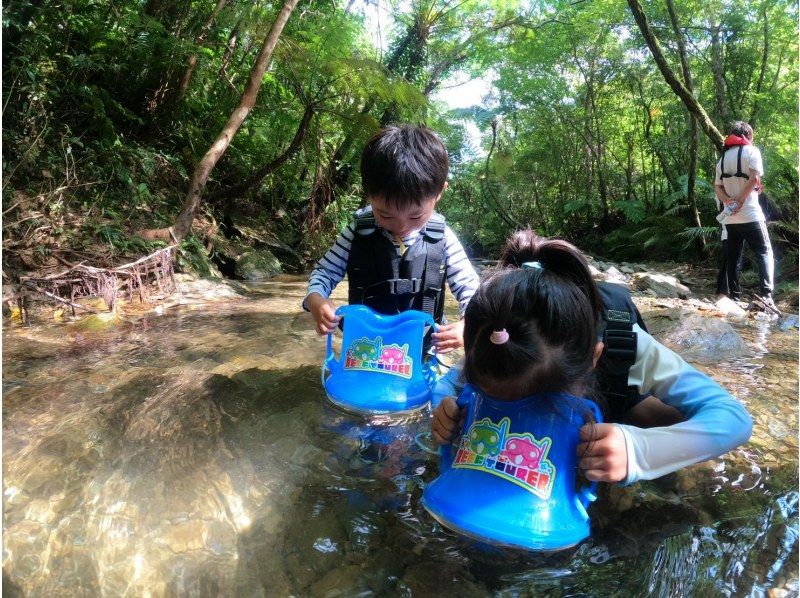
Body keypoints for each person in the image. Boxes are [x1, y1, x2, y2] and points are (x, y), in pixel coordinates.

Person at [430, 233, 753, 485]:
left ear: (592, 358)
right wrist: (445, 408)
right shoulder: (497, 342)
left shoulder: (626, 343)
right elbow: (446, 385)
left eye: (542, 402)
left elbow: (733, 419)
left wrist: (638, 451)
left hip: (616, 398)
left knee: (664, 417)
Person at [303, 124, 479, 353]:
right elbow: (324, 272)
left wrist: (468, 325)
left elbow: (470, 287)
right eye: (385, 214)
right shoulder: (358, 231)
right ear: (368, 194)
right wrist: (316, 300)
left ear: (439, 192)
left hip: (422, 349)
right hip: (365, 349)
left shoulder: (442, 236)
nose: (401, 226)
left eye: (416, 215)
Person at [714, 121, 779, 315]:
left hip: (731, 218)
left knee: (734, 258)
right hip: (750, 213)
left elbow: (717, 186)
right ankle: (766, 296)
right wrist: (741, 200)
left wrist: (729, 202)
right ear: (748, 136)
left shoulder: (723, 158)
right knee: (765, 252)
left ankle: (734, 298)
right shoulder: (752, 151)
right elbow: (754, 176)